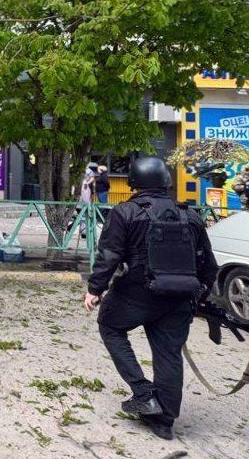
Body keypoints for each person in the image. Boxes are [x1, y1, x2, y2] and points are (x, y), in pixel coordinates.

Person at [84, 156, 218, 440]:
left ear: (133, 182)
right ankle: (165, 421)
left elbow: (109, 256)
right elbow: (209, 265)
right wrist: (198, 295)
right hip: (179, 299)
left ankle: (144, 393)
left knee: (109, 325)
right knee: (169, 354)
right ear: (166, 181)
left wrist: (95, 290)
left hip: (135, 295)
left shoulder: (124, 212)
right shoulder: (190, 215)